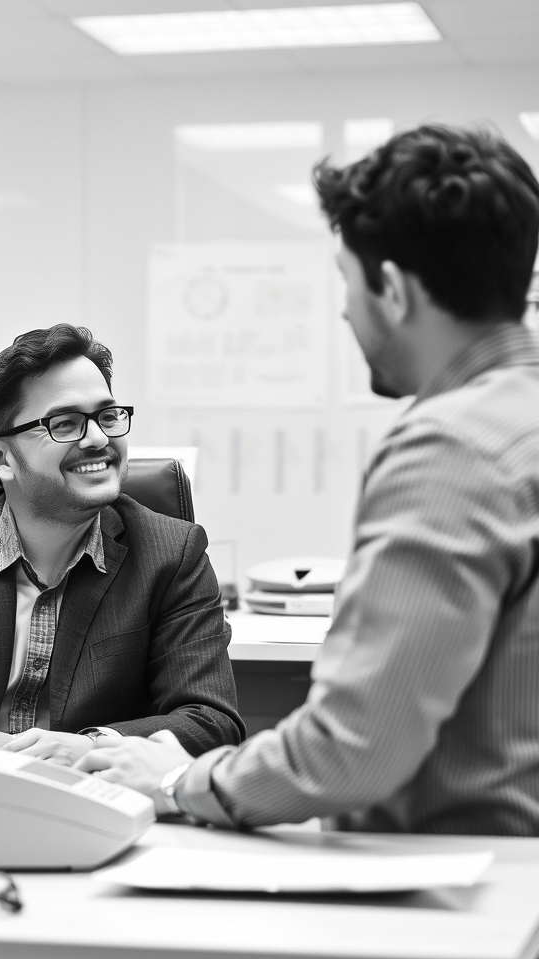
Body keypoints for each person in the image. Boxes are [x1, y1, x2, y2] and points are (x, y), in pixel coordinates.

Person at [78, 125, 539, 836]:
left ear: (392, 288)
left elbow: (353, 750)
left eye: (347, 282)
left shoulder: (451, 450)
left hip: (467, 892)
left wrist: (174, 779)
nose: (345, 310)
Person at [0, 324, 243, 764]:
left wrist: (90, 744)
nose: (98, 438)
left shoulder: (172, 555)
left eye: (108, 416)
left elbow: (211, 722)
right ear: (2, 459)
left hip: (96, 804)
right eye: (66, 423)